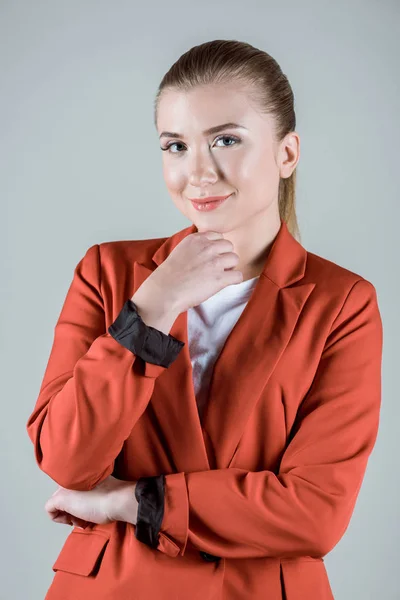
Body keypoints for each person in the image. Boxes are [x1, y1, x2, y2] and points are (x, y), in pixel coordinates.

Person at [26, 39, 383, 600]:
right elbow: (67, 457)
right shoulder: (108, 272)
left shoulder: (342, 303)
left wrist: (132, 501)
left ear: (287, 154)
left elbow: (315, 513)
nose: (198, 171)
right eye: (175, 145)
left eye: (226, 139)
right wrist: (152, 308)